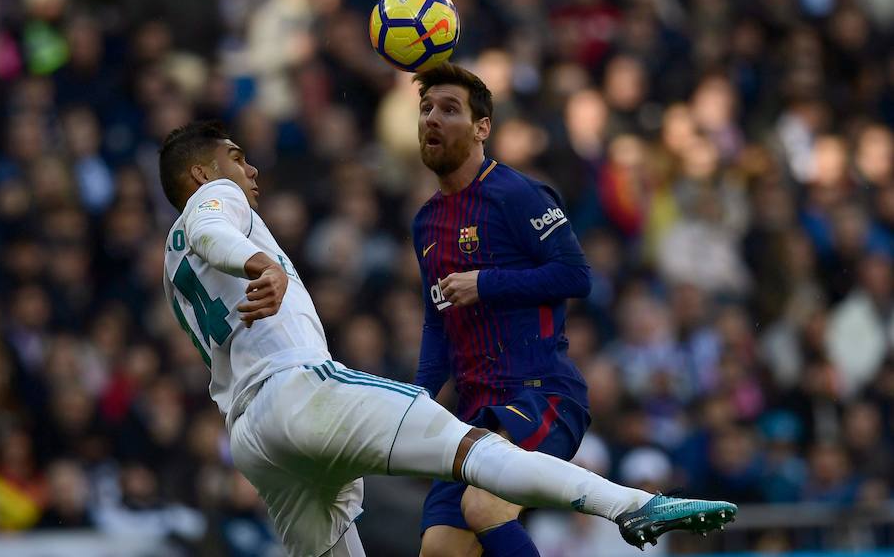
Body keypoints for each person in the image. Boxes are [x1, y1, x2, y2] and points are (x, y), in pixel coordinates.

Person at [159, 120, 737, 557]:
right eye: (237, 159)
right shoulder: (214, 203)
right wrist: (263, 261)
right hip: (297, 391)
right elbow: (212, 227)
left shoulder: (169, 261)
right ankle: (637, 506)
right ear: (202, 175)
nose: (251, 170)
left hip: (252, 439)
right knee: (475, 452)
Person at [410, 62, 593, 556]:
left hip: (540, 394)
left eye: (449, 109)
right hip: (472, 413)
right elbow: (437, 323)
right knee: (440, 551)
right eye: (426, 108)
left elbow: (577, 276)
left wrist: (486, 284)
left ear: (481, 128)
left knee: (485, 508)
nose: (432, 118)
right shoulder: (425, 224)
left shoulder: (516, 194)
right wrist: (413, 403)